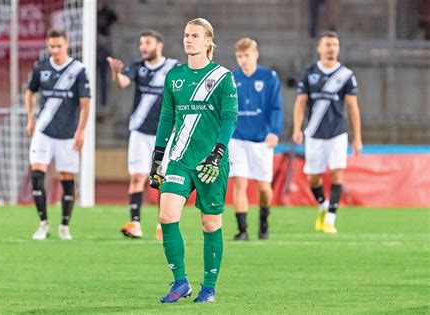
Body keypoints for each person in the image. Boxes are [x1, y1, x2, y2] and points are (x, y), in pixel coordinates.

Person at [149, 18, 237, 303]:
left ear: (208, 41)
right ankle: (180, 282)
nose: (189, 40)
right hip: (180, 159)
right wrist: (157, 157)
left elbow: (229, 118)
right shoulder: (174, 76)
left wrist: (219, 151)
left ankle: (209, 288)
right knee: (166, 216)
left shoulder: (223, 77)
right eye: (186, 35)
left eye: (195, 35)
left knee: (210, 224)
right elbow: (166, 118)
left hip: (211, 163)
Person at [107, 30, 178, 239]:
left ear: (159, 45)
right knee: (137, 176)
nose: (143, 47)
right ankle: (135, 224)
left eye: (147, 43)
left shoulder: (173, 68)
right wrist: (114, 73)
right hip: (139, 131)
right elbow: (122, 82)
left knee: (163, 179)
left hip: (165, 134)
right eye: (141, 43)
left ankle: (162, 224)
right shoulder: (138, 67)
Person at [292, 31, 362, 234]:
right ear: (319, 48)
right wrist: (297, 128)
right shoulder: (309, 73)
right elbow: (300, 103)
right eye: (328, 44)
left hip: (337, 133)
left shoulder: (346, 75)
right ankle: (323, 207)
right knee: (313, 178)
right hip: (314, 133)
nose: (332, 48)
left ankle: (331, 218)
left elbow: (353, 108)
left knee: (337, 172)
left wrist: (357, 137)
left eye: (335, 45)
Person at [25, 29, 91, 240]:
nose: (55, 50)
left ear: (67, 45)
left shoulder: (78, 70)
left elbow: (85, 103)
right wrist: (30, 118)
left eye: (59, 46)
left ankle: (64, 226)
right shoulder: (42, 67)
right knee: (37, 174)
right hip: (43, 131)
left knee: (67, 179)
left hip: (67, 134)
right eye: (51, 46)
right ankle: (43, 224)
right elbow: (30, 92)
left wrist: (80, 131)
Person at [229, 37, 284, 241]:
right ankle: (242, 230)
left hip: (261, 139)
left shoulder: (269, 77)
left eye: (247, 55)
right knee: (240, 182)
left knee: (263, 187)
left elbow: (276, 106)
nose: (243, 60)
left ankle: (264, 220)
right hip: (237, 138)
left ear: (256, 54)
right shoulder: (231, 78)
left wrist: (274, 131)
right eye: (239, 56)